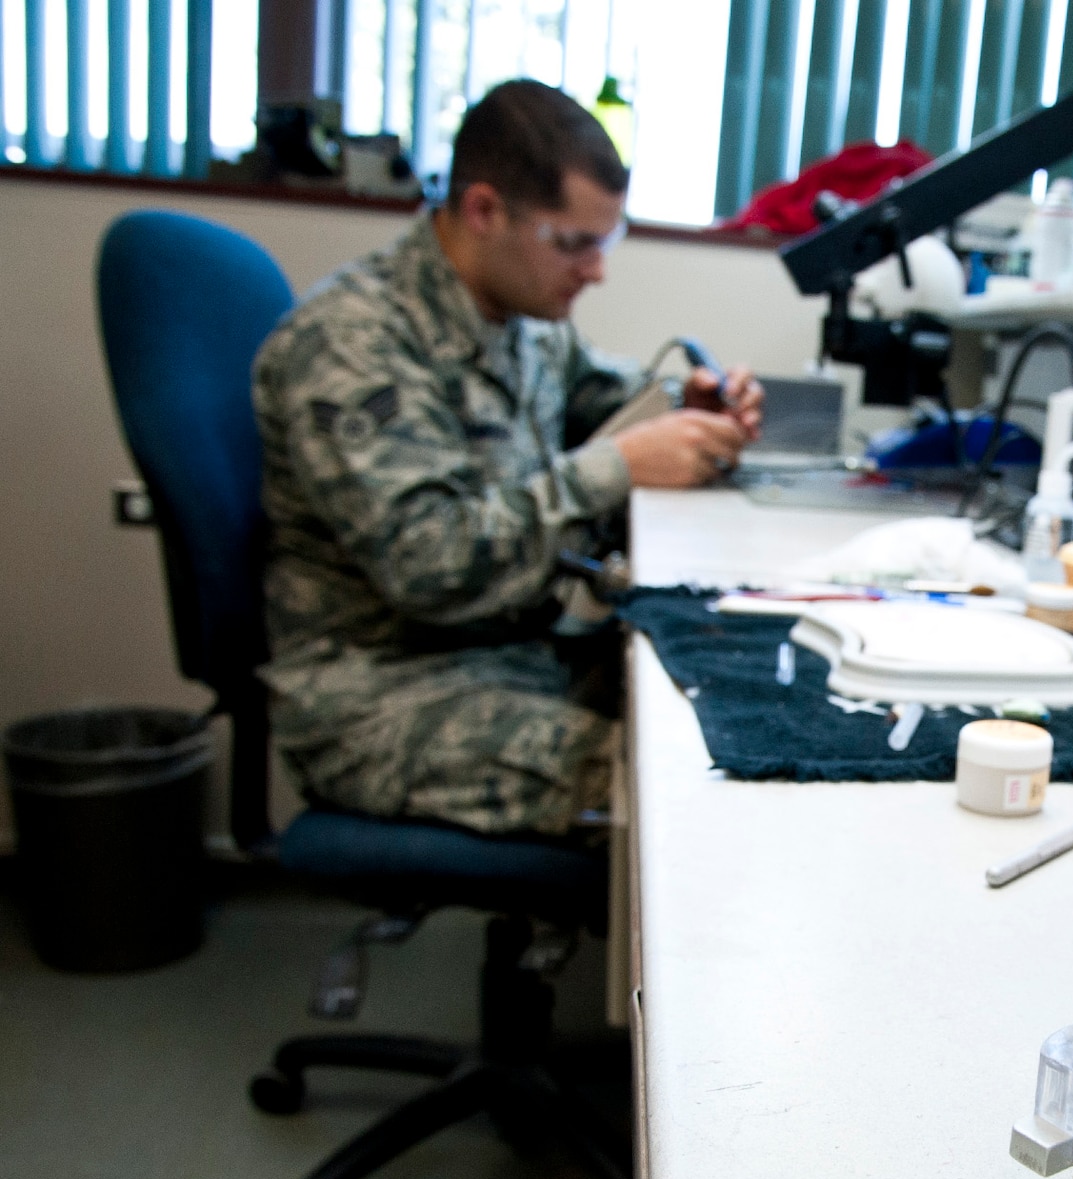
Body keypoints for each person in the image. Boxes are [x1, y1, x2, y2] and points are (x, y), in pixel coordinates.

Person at [254, 79, 763, 838]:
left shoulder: (519, 314)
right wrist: (618, 464)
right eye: (575, 243)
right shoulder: (352, 344)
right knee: (686, 778)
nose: (596, 271)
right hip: (384, 694)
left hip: (515, 649)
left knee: (736, 687)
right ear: (485, 211)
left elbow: (595, 394)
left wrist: (687, 403)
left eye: (606, 242)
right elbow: (428, 562)